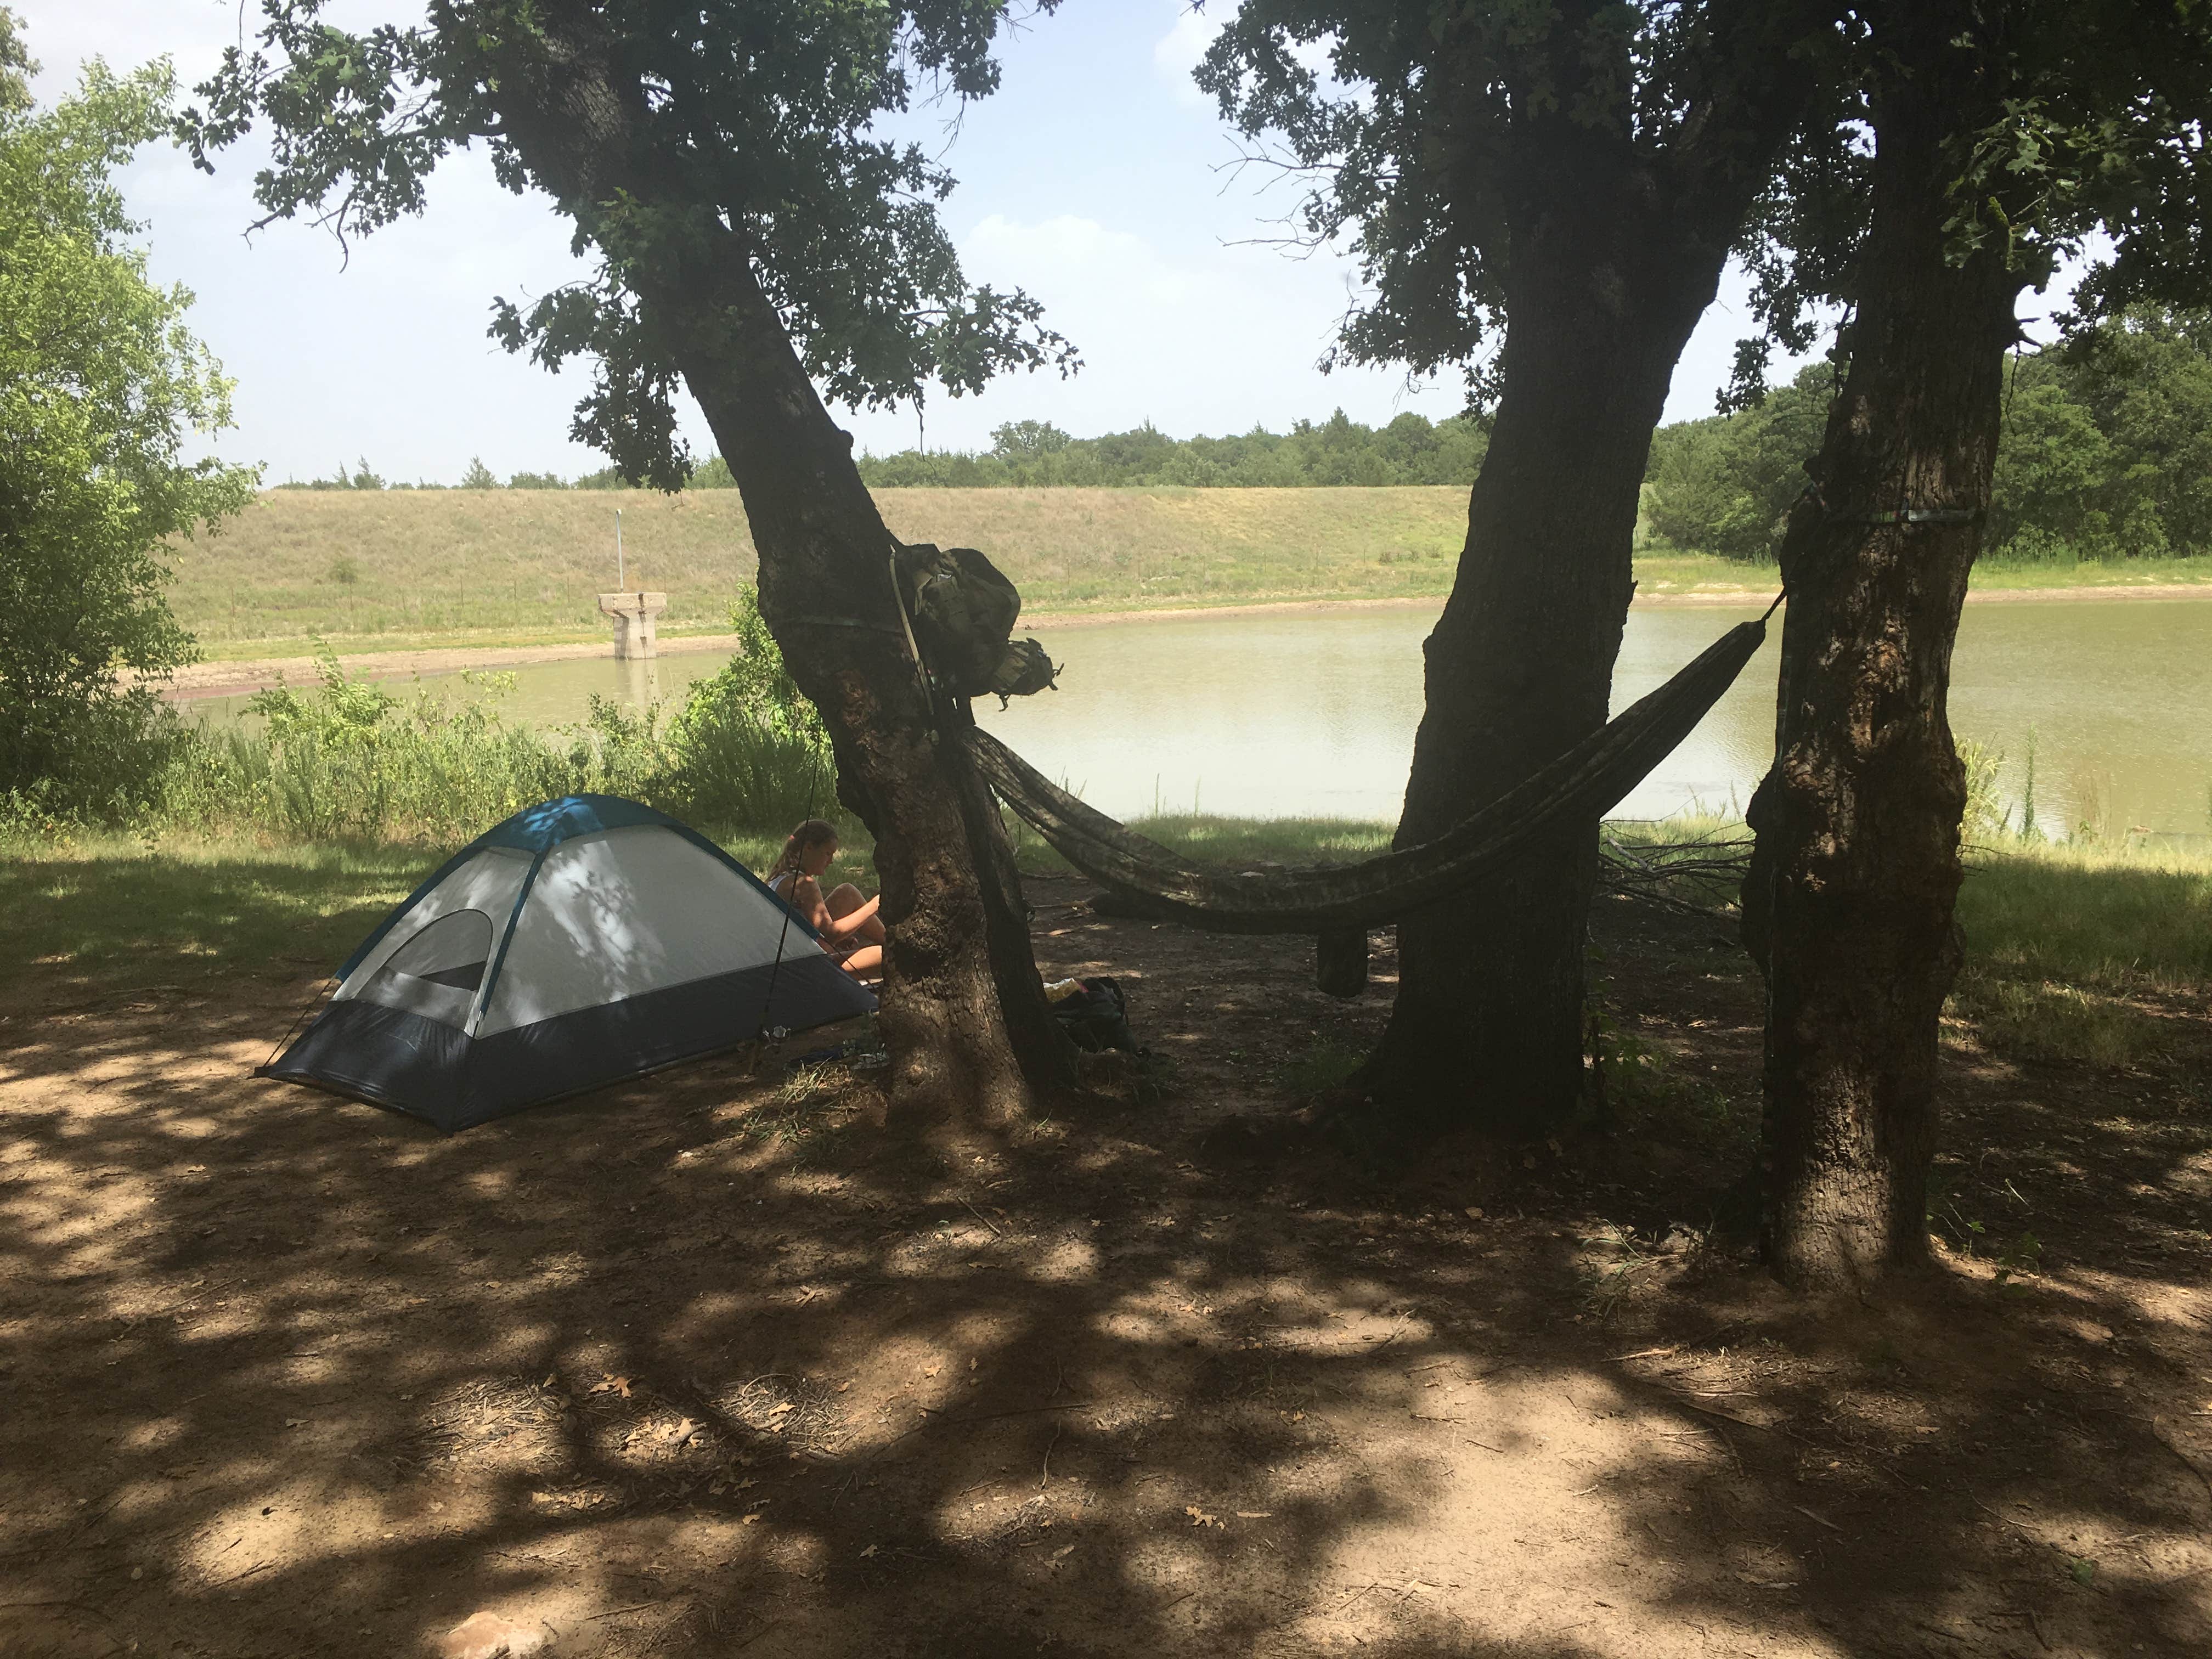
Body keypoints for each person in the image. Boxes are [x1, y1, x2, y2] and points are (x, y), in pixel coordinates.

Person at [763, 819, 884, 979]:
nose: (831, 861)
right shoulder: (804, 885)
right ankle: (898, 945)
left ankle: (891, 939)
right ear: (808, 848)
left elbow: (807, 927)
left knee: (847, 892)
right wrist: (875, 905)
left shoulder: (781, 878)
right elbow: (830, 934)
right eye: (828, 853)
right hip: (805, 968)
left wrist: (836, 942)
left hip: (796, 955)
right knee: (889, 955)